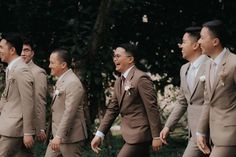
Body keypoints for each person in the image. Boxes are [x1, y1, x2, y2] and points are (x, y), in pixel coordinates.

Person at [91, 43, 162, 157]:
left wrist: (156, 136)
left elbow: (152, 107)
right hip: (128, 133)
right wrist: (99, 134)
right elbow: (112, 110)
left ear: (130, 59)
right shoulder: (119, 82)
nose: (115, 59)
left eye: (118, 56)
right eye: (114, 56)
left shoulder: (141, 78)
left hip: (140, 133)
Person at [159, 27, 209, 157]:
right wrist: (168, 126)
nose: (181, 46)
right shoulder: (184, 69)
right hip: (194, 133)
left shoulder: (212, 65)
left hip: (213, 130)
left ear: (195, 45)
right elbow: (183, 102)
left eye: (184, 42)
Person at [197, 20, 236, 157]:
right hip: (214, 136)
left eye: (202, 37)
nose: (199, 42)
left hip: (230, 136)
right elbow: (208, 101)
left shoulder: (234, 63)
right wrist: (201, 132)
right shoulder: (208, 65)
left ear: (215, 41)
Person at [45, 48, 87, 157]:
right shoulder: (62, 80)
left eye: (52, 63)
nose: (49, 66)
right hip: (58, 136)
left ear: (63, 65)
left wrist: (59, 136)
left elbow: (69, 112)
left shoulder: (73, 82)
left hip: (71, 137)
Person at [0, 32, 35, 156]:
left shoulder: (21, 70)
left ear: (12, 50)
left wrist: (27, 133)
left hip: (14, 129)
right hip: (10, 125)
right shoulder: (12, 69)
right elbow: (7, 97)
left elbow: (28, 102)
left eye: (1, 47)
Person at [21, 40, 47, 142]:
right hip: (13, 123)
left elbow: (40, 100)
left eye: (26, 50)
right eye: (21, 50)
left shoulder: (38, 73)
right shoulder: (13, 69)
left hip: (29, 126)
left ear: (32, 53)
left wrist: (41, 128)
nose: (23, 53)